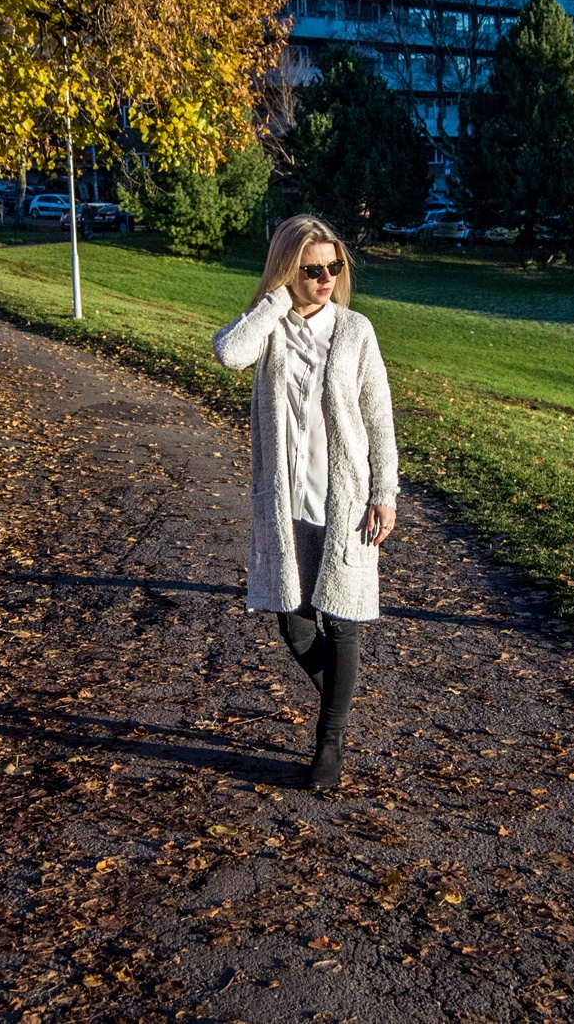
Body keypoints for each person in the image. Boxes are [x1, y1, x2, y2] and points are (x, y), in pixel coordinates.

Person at [211, 214, 398, 792]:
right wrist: (271, 303)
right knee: (292, 620)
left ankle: (330, 742)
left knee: (342, 622)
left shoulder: (356, 330)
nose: (325, 278)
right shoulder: (269, 329)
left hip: (345, 500)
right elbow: (227, 353)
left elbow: (379, 418)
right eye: (311, 269)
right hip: (286, 500)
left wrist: (384, 492)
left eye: (333, 266)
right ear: (289, 271)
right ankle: (339, 697)